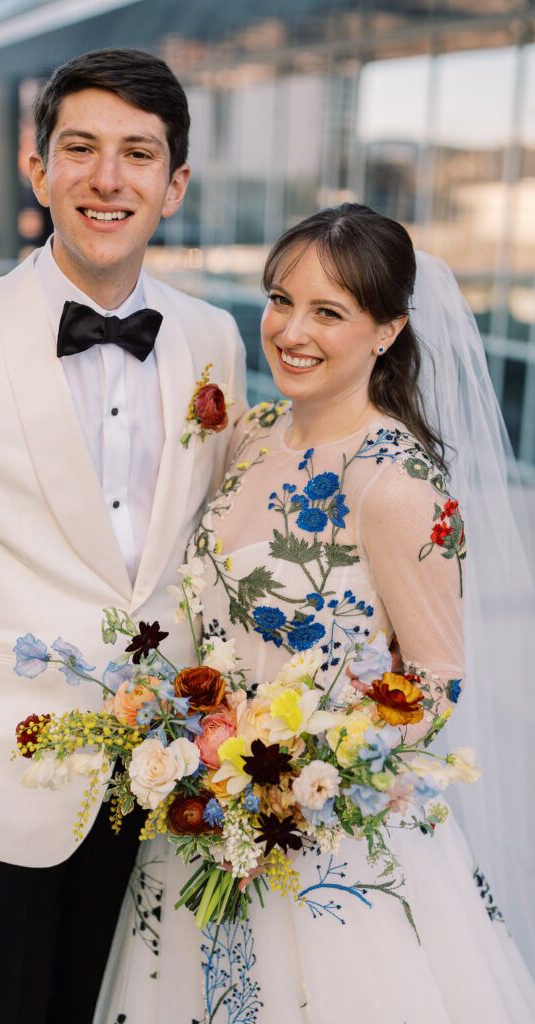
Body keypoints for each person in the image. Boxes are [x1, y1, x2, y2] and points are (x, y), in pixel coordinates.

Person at [0, 49, 247, 1023]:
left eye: (137, 154)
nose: (106, 178)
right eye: (79, 148)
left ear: (174, 182)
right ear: (38, 171)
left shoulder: (213, 341)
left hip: (170, 790)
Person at [94, 204, 535, 1022]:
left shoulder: (396, 484)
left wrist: (300, 778)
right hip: (203, 820)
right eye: (279, 300)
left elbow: (437, 682)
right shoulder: (252, 435)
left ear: (387, 330)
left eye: (327, 312)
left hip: (323, 847)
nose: (291, 331)